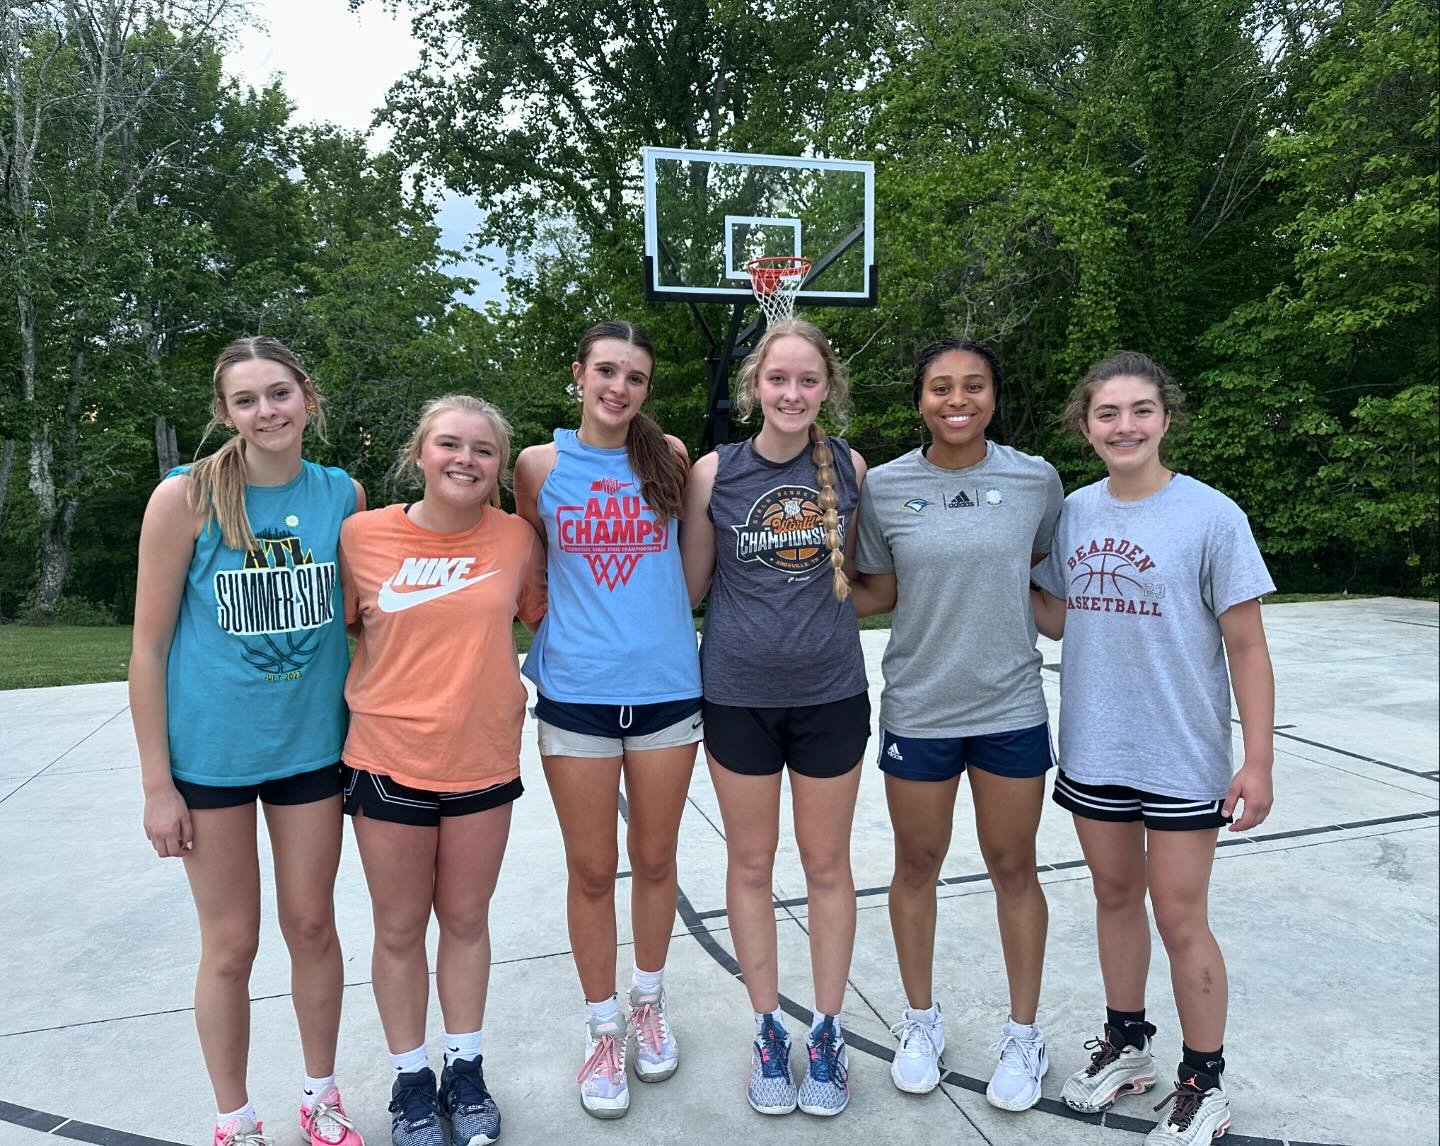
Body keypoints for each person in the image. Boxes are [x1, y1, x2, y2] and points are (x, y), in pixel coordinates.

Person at [1031, 351, 1275, 1145]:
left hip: (1181, 752)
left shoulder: (1210, 516)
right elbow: (1062, 617)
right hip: (1096, 747)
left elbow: (1246, 645)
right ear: (1086, 425)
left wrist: (1258, 759)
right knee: (1112, 897)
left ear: (1166, 417)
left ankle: (1204, 1081)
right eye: (1108, 413)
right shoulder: (1072, 513)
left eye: (1140, 410)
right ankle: (1128, 1044)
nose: (1124, 425)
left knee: (1178, 914)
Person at [130, 336, 365, 1146]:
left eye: (279, 394)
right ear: (224, 413)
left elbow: (365, 625)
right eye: (246, 400)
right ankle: (234, 1117)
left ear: (307, 396)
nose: (266, 411)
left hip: (312, 751)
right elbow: (148, 650)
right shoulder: (185, 499)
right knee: (231, 945)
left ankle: (321, 1095)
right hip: (212, 760)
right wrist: (159, 785)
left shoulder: (343, 493)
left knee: (313, 928)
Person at [852, 339, 1063, 1112]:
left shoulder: (1035, 479)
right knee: (917, 866)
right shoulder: (886, 488)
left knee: (1015, 867)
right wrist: (786, 584)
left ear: (994, 397)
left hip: (1009, 706)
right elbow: (875, 591)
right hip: (920, 708)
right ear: (920, 402)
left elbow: (1050, 585)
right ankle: (920, 1022)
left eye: (973, 386)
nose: (956, 399)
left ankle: (1024, 1033)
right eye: (940, 387)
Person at [339, 395, 545, 1146]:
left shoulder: (518, 538)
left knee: (464, 921)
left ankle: (465, 1067)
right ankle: (411, 1082)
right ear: (418, 454)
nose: (466, 460)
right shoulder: (361, 537)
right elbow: (336, 635)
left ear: (499, 466)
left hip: (483, 758)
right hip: (387, 760)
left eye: (483, 450)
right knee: (398, 930)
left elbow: (548, 619)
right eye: (450, 445)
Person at [680, 318, 869, 1118]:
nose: (792, 394)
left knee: (828, 866)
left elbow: (850, 574)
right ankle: (767, 1027)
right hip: (737, 697)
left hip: (830, 694)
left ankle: (824, 1029)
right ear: (756, 386)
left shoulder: (852, 467)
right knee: (750, 867)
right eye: (778, 379)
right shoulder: (712, 472)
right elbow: (691, 586)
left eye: (807, 381)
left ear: (827, 390)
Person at [513, 320, 700, 1119]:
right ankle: (602, 1026)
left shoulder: (672, 460)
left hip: (664, 687)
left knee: (655, 858)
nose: (619, 388)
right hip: (577, 693)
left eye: (635, 377)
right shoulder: (538, 465)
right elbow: (528, 569)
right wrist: (564, 633)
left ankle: (649, 1003)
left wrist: (658, 621)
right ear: (578, 374)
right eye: (607, 372)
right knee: (592, 869)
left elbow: (692, 569)